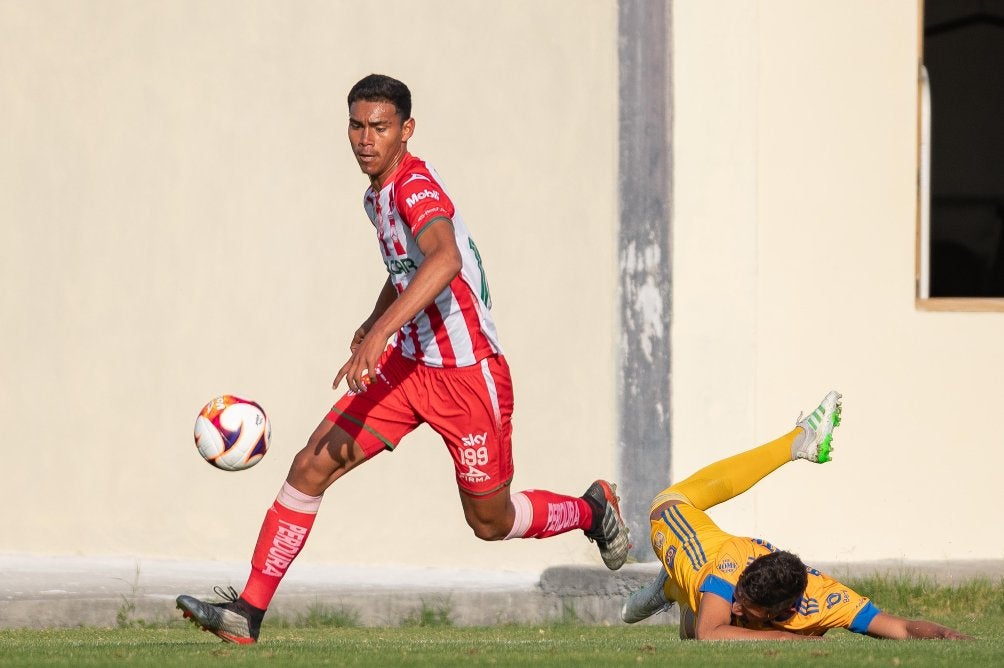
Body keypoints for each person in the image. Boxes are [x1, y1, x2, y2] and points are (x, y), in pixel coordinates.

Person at [176, 74, 629, 644]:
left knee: (490, 522)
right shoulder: (376, 195)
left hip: (468, 377)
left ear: (406, 131)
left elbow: (443, 260)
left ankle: (591, 510)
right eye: (357, 126)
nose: (365, 139)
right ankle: (248, 613)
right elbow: (407, 270)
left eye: (380, 127)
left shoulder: (415, 188)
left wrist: (376, 337)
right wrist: (375, 321)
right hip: (408, 371)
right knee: (310, 467)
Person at [621, 390, 972, 640]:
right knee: (664, 504)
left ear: (785, 611)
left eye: (745, 604)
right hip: (698, 546)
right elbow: (712, 633)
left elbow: (902, 628)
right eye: (739, 596)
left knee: (695, 627)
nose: (737, 605)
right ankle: (798, 440)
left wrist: (949, 636)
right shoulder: (734, 562)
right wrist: (793, 640)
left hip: (704, 591)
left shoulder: (827, 601)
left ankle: (672, 587)